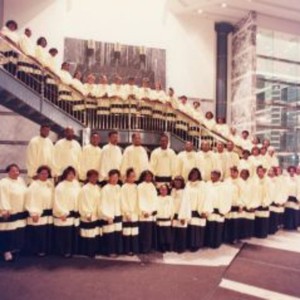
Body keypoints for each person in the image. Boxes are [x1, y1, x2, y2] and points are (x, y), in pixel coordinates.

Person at [0, 164, 27, 261]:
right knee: (7, 232)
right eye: (13, 171)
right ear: (8, 172)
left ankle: (15, 249)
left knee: (17, 231)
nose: (16, 173)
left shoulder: (21, 180)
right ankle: (6, 252)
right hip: (9, 211)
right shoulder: (3, 183)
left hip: (20, 210)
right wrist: (5, 209)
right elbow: (2, 196)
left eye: (17, 171)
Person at [25, 165, 54, 256]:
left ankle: (46, 249)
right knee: (38, 233)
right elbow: (31, 199)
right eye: (42, 173)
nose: (44, 175)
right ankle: (37, 250)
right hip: (38, 212)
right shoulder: (34, 185)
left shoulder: (49, 184)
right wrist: (34, 212)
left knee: (46, 232)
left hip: (48, 213)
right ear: (38, 174)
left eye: (46, 173)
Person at [53, 166, 81, 257]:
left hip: (74, 213)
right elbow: (57, 200)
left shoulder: (76, 184)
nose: (71, 176)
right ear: (65, 175)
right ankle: (64, 251)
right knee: (64, 234)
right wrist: (61, 213)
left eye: (73, 174)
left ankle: (72, 250)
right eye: (69, 174)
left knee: (72, 233)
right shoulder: (60, 186)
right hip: (65, 213)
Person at [185, 168, 212, 251]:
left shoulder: (202, 184)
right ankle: (189, 244)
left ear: (199, 175)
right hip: (189, 208)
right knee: (190, 227)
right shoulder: (188, 184)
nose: (194, 176)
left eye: (196, 174)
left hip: (199, 209)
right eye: (192, 174)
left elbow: (206, 197)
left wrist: (205, 210)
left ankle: (196, 245)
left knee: (197, 228)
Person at [205, 170, 232, 248]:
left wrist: (224, 210)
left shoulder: (223, 186)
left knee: (218, 227)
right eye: (212, 174)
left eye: (215, 175)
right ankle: (209, 243)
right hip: (210, 209)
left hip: (220, 209)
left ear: (219, 176)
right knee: (210, 227)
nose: (212, 176)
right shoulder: (207, 185)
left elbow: (227, 198)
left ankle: (216, 243)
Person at [78, 169, 101, 258]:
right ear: (88, 177)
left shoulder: (97, 188)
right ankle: (88, 252)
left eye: (96, 176)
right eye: (92, 176)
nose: (95, 178)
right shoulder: (85, 189)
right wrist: (87, 214)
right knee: (88, 234)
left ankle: (94, 250)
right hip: (88, 215)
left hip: (96, 215)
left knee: (94, 233)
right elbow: (83, 202)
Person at [100, 169, 122, 257]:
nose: (115, 179)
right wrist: (107, 216)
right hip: (109, 215)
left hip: (118, 213)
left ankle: (118, 250)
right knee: (110, 235)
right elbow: (103, 203)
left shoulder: (118, 187)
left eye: (116, 177)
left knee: (117, 234)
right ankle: (109, 251)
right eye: (113, 177)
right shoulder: (105, 189)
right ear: (109, 178)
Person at [137, 170, 158, 253]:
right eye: (147, 176)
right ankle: (143, 248)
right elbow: (140, 199)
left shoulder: (152, 186)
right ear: (143, 177)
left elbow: (154, 199)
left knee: (149, 232)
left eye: (150, 176)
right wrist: (143, 211)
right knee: (143, 231)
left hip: (150, 213)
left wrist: (152, 211)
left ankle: (149, 248)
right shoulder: (140, 186)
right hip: (143, 213)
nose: (148, 178)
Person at [121, 168, 139, 255]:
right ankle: (127, 250)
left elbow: (138, 200)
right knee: (127, 232)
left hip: (135, 213)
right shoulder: (124, 187)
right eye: (131, 176)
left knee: (134, 232)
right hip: (126, 213)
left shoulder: (136, 187)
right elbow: (122, 200)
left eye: (134, 176)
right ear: (127, 177)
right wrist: (126, 212)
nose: (133, 178)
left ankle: (134, 249)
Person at [224, 167, 243, 244]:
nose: (232, 174)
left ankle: (234, 238)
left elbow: (241, 194)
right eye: (231, 172)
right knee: (228, 222)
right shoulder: (226, 181)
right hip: (228, 204)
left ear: (237, 173)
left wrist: (241, 205)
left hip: (236, 204)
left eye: (234, 172)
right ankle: (226, 238)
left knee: (235, 223)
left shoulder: (240, 182)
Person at [171, 176, 189, 253]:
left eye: (179, 182)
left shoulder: (185, 191)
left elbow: (186, 204)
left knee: (181, 233)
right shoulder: (173, 190)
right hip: (173, 214)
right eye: (176, 181)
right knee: (174, 231)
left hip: (181, 214)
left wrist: (183, 217)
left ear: (182, 183)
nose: (177, 183)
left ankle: (180, 249)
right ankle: (174, 247)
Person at [252, 166, 271, 238]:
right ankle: (256, 233)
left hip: (264, 201)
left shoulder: (268, 180)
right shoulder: (254, 180)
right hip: (256, 202)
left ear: (264, 172)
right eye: (258, 171)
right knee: (257, 218)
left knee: (263, 219)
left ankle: (263, 234)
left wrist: (265, 202)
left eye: (261, 171)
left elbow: (269, 192)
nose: (260, 173)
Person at [239, 169, 256, 239]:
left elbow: (254, 194)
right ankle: (242, 235)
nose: (242, 175)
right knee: (242, 221)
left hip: (250, 204)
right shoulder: (239, 183)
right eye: (241, 173)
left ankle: (248, 234)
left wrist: (252, 205)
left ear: (247, 175)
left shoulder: (251, 184)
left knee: (249, 221)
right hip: (242, 204)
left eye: (244, 174)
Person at [156, 184, 174, 252]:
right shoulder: (157, 198)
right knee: (161, 235)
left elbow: (172, 209)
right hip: (160, 219)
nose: (163, 191)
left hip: (167, 219)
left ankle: (168, 246)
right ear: (160, 190)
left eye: (165, 189)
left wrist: (171, 218)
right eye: (162, 189)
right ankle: (162, 247)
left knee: (167, 235)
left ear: (167, 190)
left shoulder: (170, 198)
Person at [284, 166, 299, 230]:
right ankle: (287, 226)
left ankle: (294, 226)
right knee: (288, 212)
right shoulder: (286, 179)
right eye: (290, 171)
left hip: (295, 196)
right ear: (289, 171)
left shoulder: (297, 179)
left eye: (293, 171)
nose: (291, 172)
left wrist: (298, 198)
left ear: (294, 171)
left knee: (294, 212)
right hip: (288, 197)